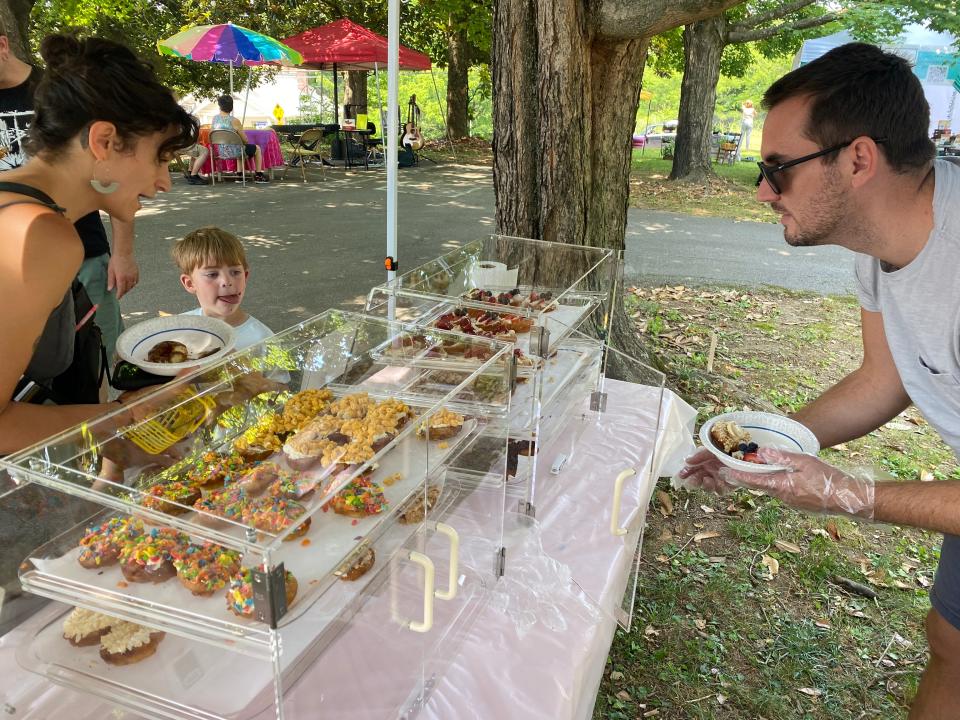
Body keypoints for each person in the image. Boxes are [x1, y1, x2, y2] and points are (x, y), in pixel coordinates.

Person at [677, 43, 960, 719]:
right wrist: (763, 448)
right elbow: (883, 376)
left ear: (858, 159)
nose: (763, 191)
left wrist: (848, 493)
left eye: (779, 169)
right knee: (949, 641)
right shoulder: (881, 238)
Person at [0, 32, 197, 454]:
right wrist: (128, 412)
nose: (163, 182)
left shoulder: (15, 203)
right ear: (103, 142)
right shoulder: (40, 234)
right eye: (159, 157)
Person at [0, 21, 138, 363]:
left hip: (85, 255)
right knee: (35, 367)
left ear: (2, 46)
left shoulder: (56, 91)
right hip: (15, 263)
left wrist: (122, 253)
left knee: (101, 355)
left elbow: (111, 175)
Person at [173, 226, 273, 348]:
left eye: (235, 272)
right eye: (212, 274)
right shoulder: (178, 329)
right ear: (190, 283)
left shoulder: (263, 340)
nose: (226, 281)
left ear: (245, 277)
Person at [211, 94, 269, 184]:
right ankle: (258, 175)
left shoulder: (214, 119)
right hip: (235, 151)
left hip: (221, 152)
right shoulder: (235, 121)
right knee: (256, 148)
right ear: (231, 106)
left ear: (220, 106)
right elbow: (245, 140)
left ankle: (239, 175)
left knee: (239, 147)